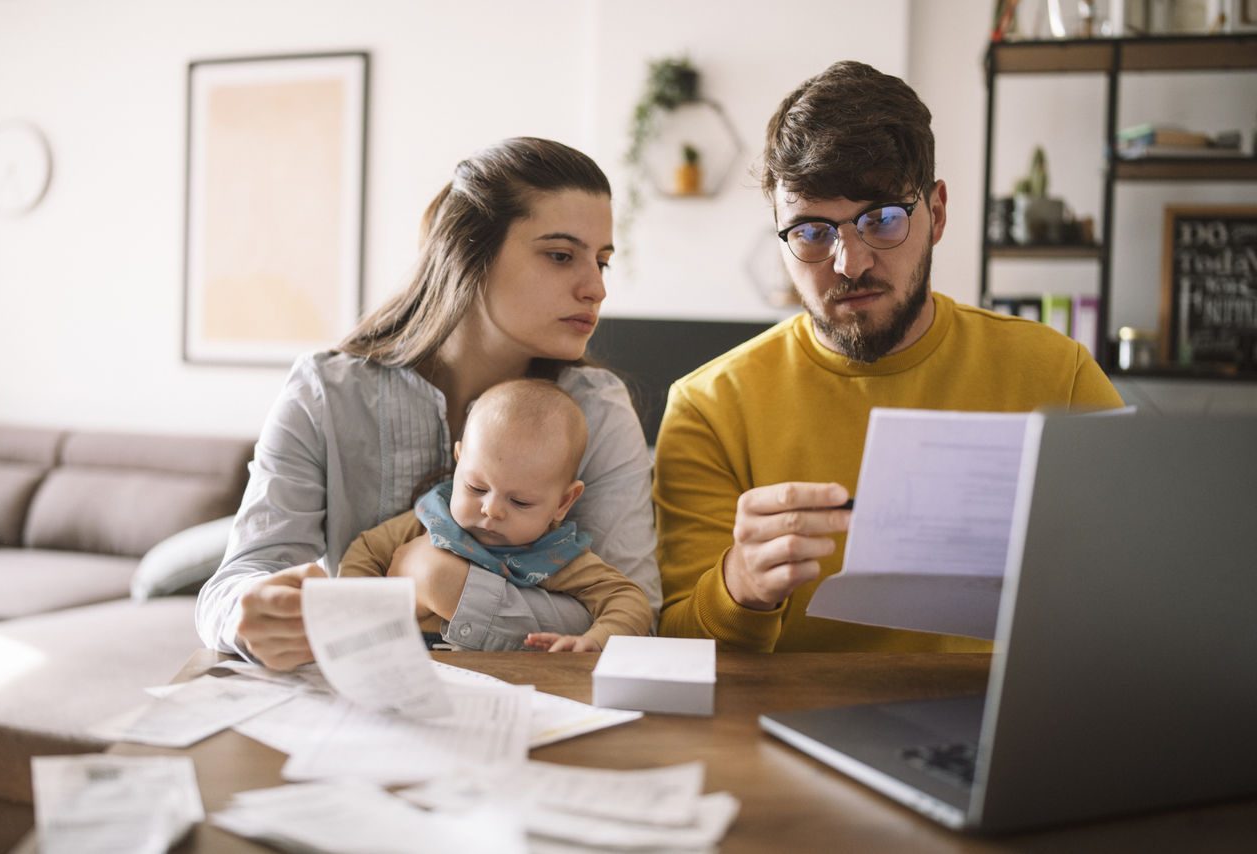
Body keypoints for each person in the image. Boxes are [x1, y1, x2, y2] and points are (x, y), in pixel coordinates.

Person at [654, 61, 1123, 653]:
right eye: (811, 231)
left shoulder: (1060, 375)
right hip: (783, 734)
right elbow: (673, 652)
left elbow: (1142, 590)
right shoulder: (708, 408)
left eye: (882, 219)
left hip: (1002, 727)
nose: (850, 263)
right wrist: (740, 587)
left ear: (939, 214)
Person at [196, 137, 660, 670]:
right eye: (560, 256)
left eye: (601, 261)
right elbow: (232, 586)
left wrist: (441, 583)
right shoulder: (325, 394)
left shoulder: (597, 410)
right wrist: (248, 615)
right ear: (469, 255)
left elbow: (637, 614)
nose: (596, 288)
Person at [339, 378, 653, 652]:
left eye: (520, 502)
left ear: (563, 502)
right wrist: (356, 618)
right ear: (459, 461)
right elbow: (365, 551)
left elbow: (629, 601)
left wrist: (597, 639)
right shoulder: (432, 518)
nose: (491, 509)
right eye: (476, 487)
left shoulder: (555, 555)